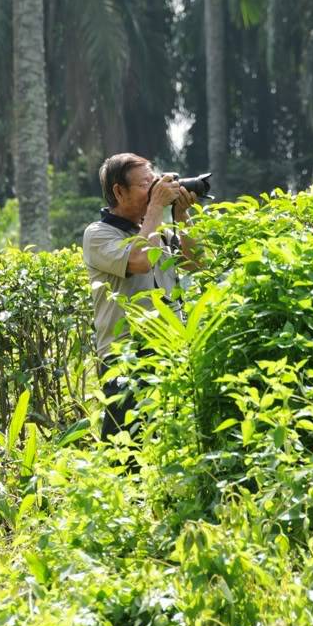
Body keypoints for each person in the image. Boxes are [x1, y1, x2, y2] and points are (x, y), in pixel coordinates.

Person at [83, 152, 199, 441]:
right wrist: (157, 208)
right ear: (118, 192)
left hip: (169, 352)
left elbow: (196, 264)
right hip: (124, 358)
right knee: (125, 452)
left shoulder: (155, 226)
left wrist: (182, 216)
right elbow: (141, 261)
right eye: (145, 184)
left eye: (154, 182)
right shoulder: (98, 234)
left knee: (171, 444)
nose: (153, 189)